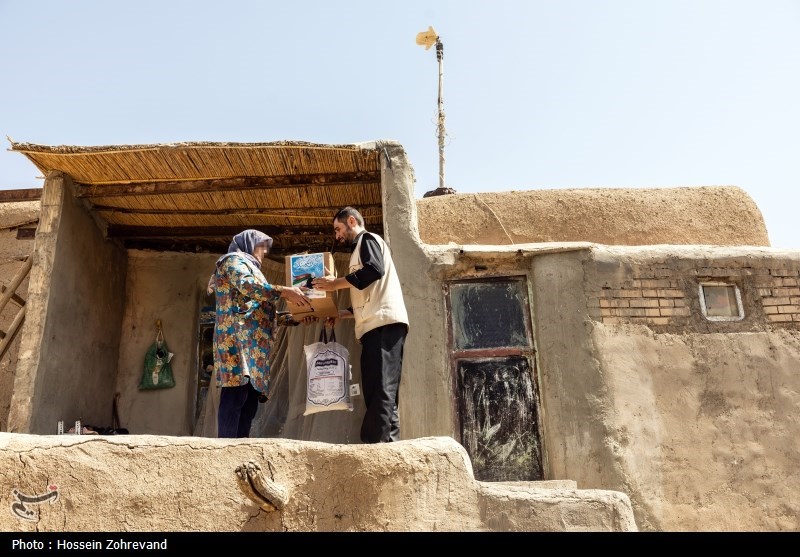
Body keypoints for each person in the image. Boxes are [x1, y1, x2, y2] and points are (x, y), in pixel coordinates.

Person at [312, 207, 409, 443]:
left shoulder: (367, 240)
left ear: (352, 221)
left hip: (383, 326)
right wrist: (342, 314)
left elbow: (375, 270)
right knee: (380, 391)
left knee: (381, 390)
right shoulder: (359, 250)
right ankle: (389, 446)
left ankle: (373, 446)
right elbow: (368, 298)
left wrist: (335, 284)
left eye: (338, 229)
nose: (337, 236)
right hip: (375, 326)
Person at [210, 229, 311, 438]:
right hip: (235, 339)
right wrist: (284, 291)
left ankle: (240, 449)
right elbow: (247, 286)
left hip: (253, 347)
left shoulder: (255, 270)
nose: (265, 252)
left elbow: (262, 312)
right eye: (261, 246)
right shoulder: (232, 261)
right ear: (249, 243)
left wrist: (297, 317)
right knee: (235, 393)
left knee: (249, 401)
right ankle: (224, 449)